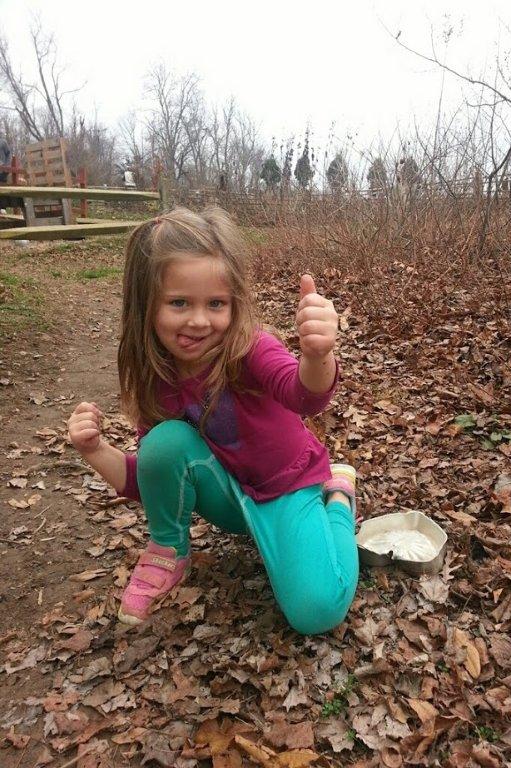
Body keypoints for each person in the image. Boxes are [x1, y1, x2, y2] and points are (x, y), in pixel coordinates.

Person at [67, 207, 359, 634]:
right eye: (179, 302)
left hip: (287, 487)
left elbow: (304, 395)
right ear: (145, 306)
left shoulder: (251, 348)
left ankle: (338, 498)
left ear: (234, 303)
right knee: (164, 442)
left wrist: (317, 357)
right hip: (229, 497)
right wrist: (95, 450)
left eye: (216, 303)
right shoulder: (158, 379)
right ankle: (168, 551)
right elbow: (152, 477)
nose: (199, 320)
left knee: (317, 611)